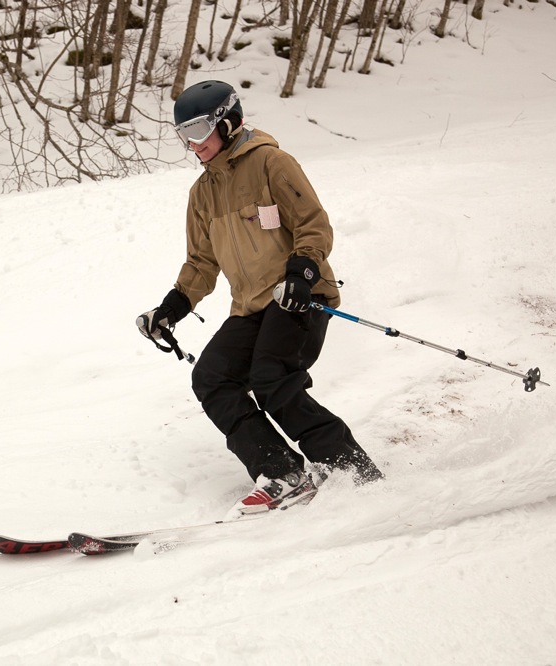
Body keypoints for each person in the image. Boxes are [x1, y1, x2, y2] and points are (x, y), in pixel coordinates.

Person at [137, 80, 382, 519]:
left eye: (198, 132)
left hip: (299, 298)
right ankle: (282, 472)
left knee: (271, 377)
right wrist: (171, 308)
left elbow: (313, 225)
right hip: (251, 306)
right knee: (211, 377)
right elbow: (200, 262)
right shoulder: (202, 193)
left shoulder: (271, 162)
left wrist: (302, 273)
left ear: (227, 123)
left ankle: (350, 467)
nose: (193, 145)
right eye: (183, 137)